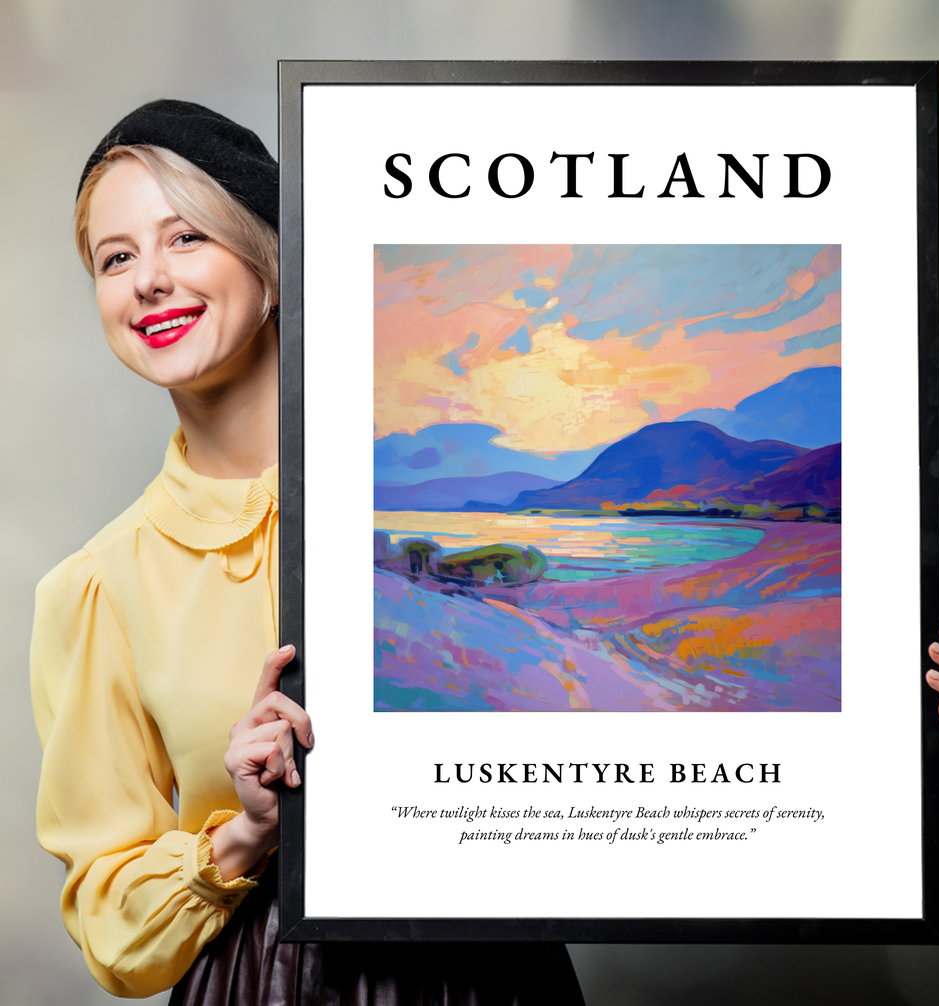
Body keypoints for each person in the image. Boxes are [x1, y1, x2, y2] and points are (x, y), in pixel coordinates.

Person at [30, 100, 586, 1004]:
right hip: (262, 982)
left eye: (185, 238)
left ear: (272, 263)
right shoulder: (97, 587)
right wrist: (244, 832)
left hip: (493, 974)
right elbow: (110, 923)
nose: (148, 281)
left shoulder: (432, 498)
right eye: (116, 257)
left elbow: (595, 707)